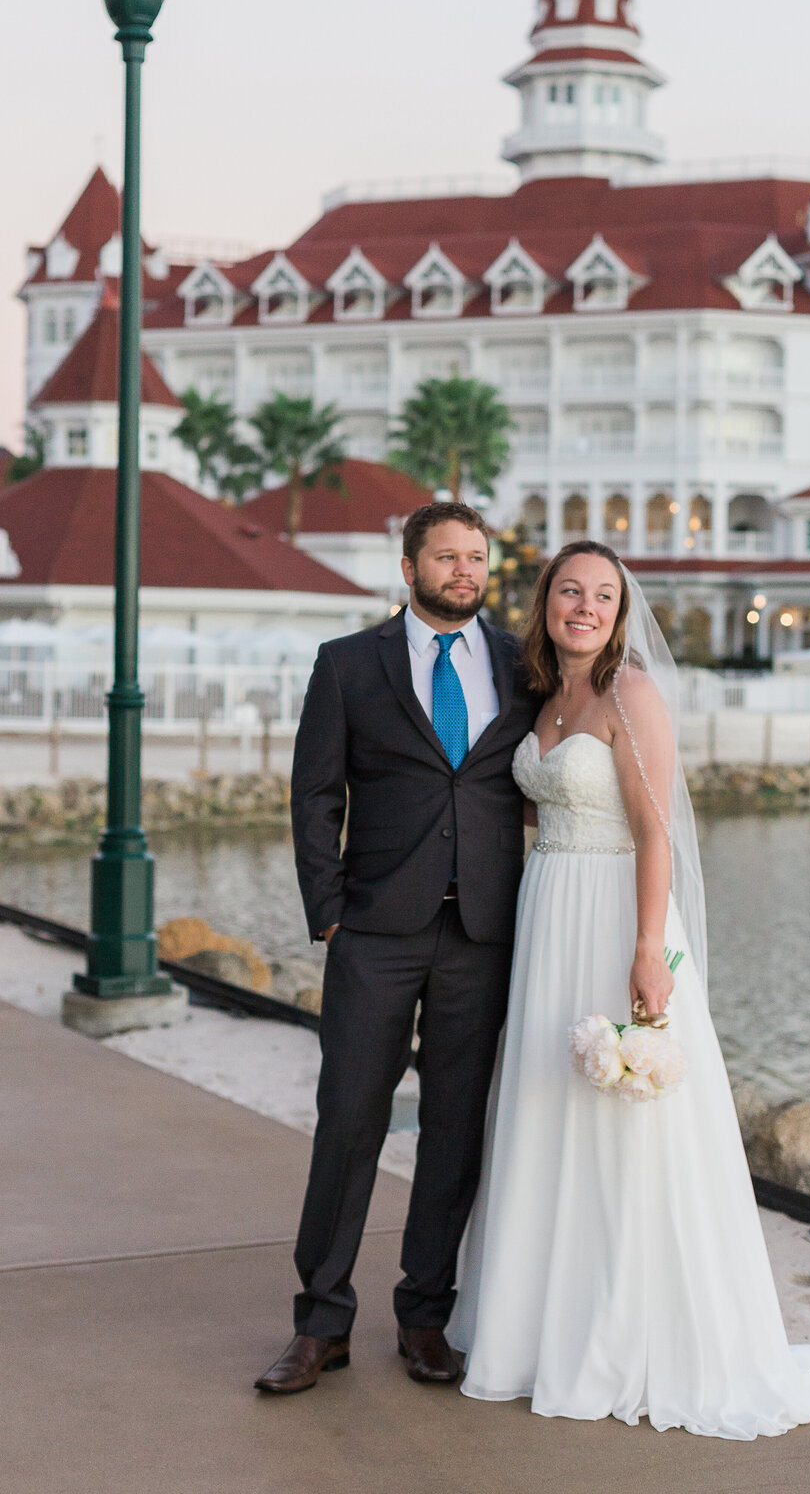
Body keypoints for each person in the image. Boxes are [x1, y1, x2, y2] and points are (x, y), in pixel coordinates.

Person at [450, 540, 810, 1435]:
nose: (583, 607)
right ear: (545, 602)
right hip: (548, 914)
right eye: (568, 591)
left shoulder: (633, 694)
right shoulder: (544, 695)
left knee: (627, 1122)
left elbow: (657, 832)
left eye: (602, 596)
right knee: (547, 1106)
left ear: (622, 613)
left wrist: (649, 949)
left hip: (617, 913)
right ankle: (535, 1328)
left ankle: (628, 1333)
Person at [255, 502, 539, 1395]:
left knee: (455, 1130)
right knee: (349, 1120)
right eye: (446, 557)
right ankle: (323, 1323)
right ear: (408, 565)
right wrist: (329, 910)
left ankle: (425, 1315)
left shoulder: (518, 668)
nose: (465, 571)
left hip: (483, 935)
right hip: (374, 931)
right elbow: (314, 796)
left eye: (477, 558)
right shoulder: (348, 665)